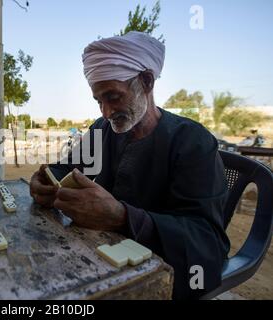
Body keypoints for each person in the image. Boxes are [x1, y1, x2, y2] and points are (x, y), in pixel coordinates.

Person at [29, 32, 230, 299]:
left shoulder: (193, 142)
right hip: (102, 259)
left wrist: (123, 217)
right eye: (99, 101)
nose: (106, 112)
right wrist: (45, 178)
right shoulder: (103, 129)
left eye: (113, 97)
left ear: (146, 81)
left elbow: (208, 244)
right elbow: (69, 168)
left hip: (160, 274)